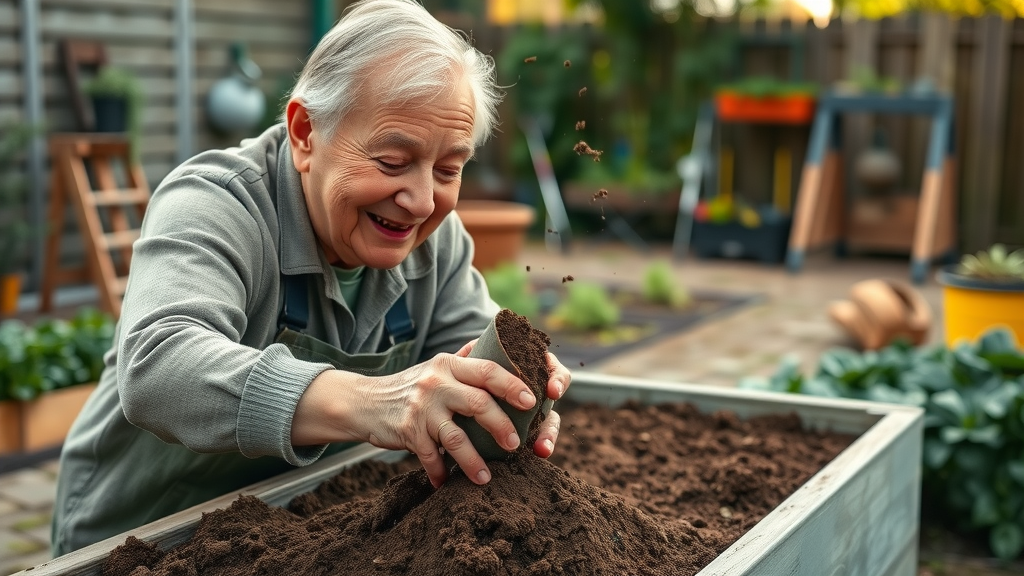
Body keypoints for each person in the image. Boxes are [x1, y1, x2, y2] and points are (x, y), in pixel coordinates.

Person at [52, 0, 571, 556]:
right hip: (142, 543)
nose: (421, 202)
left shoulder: (435, 242)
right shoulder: (216, 203)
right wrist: (374, 400)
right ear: (305, 133)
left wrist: (506, 397)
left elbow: (466, 363)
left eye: (449, 170)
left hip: (294, 536)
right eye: (392, 161)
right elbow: (158, 367)